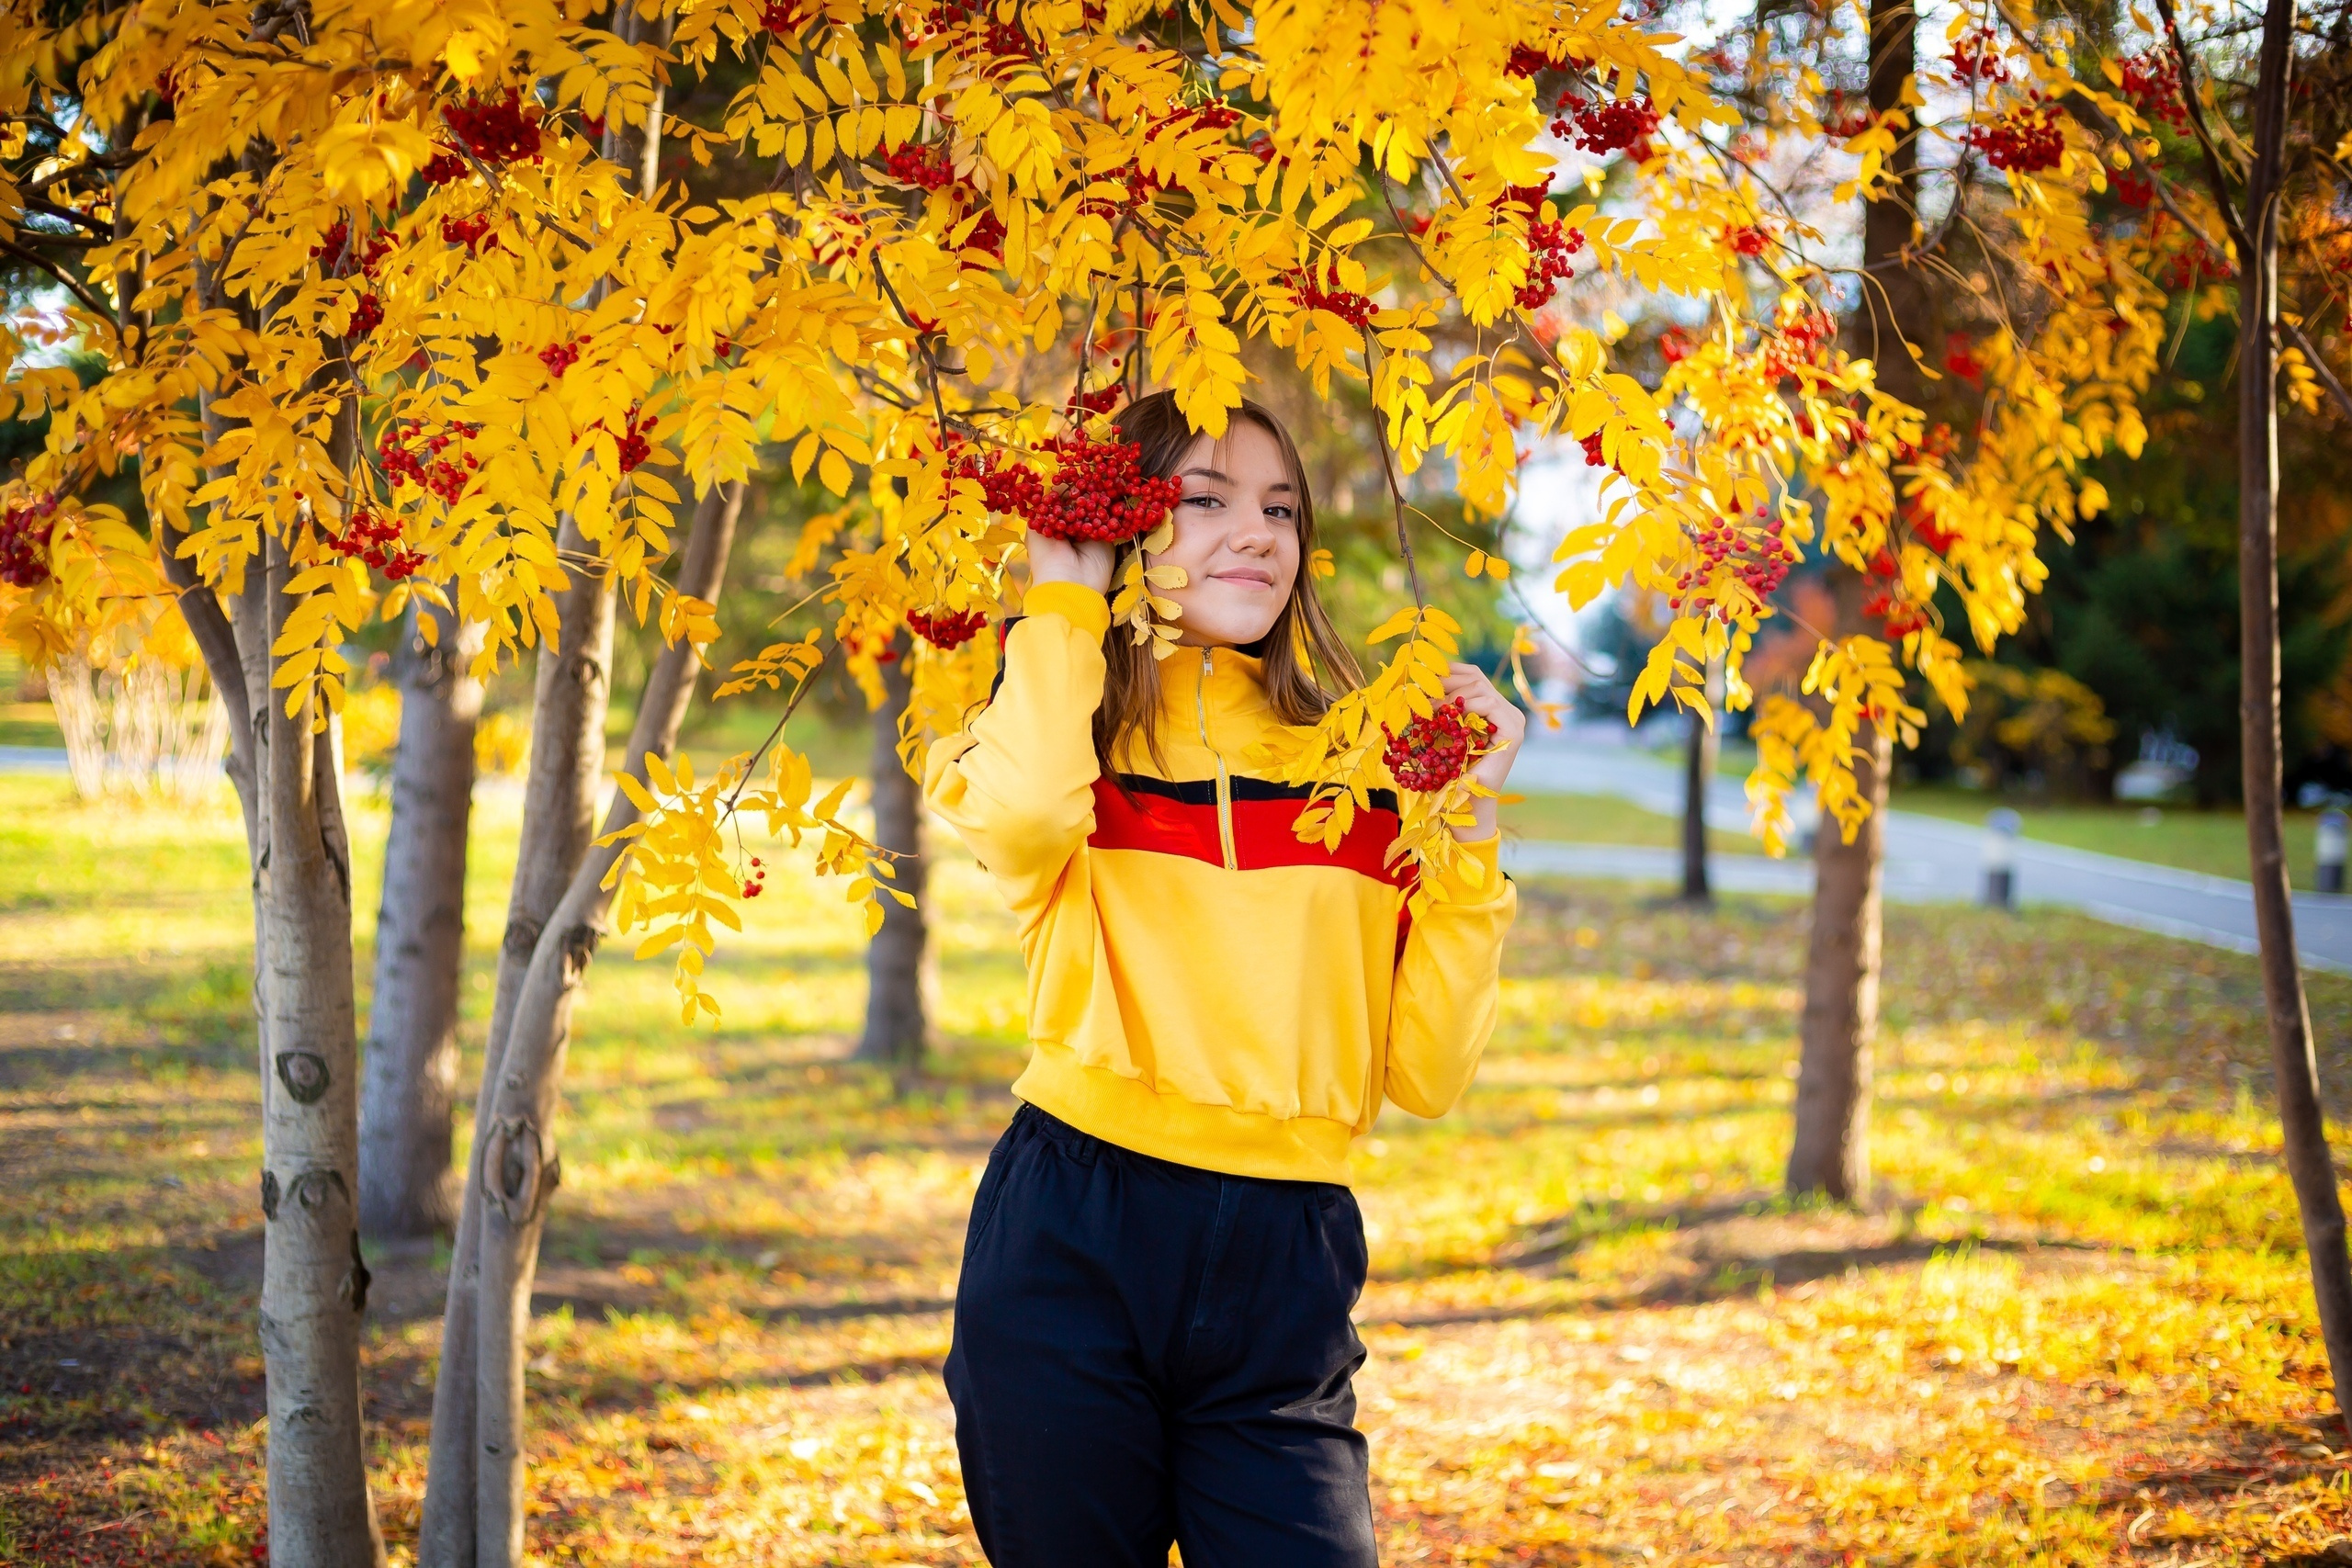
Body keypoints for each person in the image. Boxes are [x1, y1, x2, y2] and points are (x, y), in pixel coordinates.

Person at [924, 389, 1523, 1568]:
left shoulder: (1364, 762)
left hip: (1287, 1258)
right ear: (1123, 524)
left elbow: (1428, 1072)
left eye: (1280, 509)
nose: (1256, 533)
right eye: (1203, 501)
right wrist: (1062, 595)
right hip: (1073, 1229)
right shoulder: (1053, 727)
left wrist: (1470, 822)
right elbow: (1028, 820)